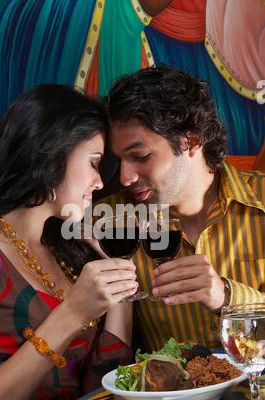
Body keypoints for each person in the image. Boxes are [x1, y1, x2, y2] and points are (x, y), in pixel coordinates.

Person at [0, 84, 137, 400]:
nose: (100, 182)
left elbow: (103, 390)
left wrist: (116, 276)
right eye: (93, 163)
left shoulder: (68, 250)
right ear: (50, 152)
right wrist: (73, 312)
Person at [103, 64, 265, 353]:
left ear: (191, 141)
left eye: (140, 156)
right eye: (119, 161)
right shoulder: (111, 223)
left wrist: (228, 297)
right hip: (170, 395)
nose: (125, 177)